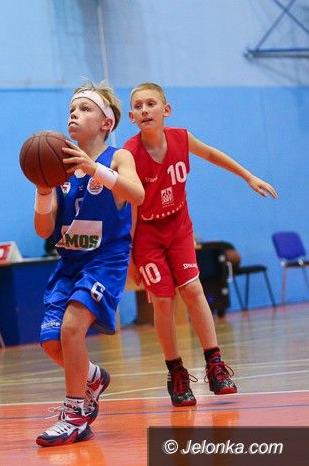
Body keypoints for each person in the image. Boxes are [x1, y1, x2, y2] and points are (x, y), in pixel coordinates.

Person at [124, 82, 278, 407]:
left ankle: (215, 365)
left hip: (179, 227)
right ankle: (176, 372)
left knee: (193, 290)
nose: (145, 110)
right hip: (147, 235)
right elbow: (131, 211)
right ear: (131, 116)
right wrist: (131, 256)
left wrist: (248, 176)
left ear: (166, 110)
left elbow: (210, 154)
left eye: (151, 103)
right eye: (138, 106)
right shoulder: (130, 153)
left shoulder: (181, 138)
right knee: (162, 301)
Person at [32, 82, 144, 447]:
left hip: (105, 260)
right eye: (71, 110)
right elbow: (43, 229)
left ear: (106, 123)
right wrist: (43, 189)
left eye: (84, 109)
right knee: (53, 344)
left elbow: (137, 194)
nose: (74, 115)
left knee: (72, 328)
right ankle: (93, 378)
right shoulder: (57, 167)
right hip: (69, 263)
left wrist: (95, 169)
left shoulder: (118, 157)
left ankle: (75, 416)